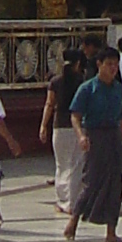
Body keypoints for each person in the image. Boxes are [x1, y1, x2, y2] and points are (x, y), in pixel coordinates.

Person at [66, 46, 122, 242]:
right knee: (91, 180)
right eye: (109, 64)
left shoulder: (118, 88)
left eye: (115, 65)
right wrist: (81, 137)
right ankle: (74, 220)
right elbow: (75, 116)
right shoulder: (87, 88)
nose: (113, 69)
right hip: (95, 135)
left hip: (113, 137)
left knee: (116, 183)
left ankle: (111, 231)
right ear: (99, 64)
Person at [41, 47, 84, 207]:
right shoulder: (82, 80)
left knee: (61, 165)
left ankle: (62, 200)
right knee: (76, 165)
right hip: (78, 127)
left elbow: (49, 104)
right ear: (78, 63)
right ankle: (73, 201)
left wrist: (43, 125)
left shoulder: (55, 82)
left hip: (59, 126)